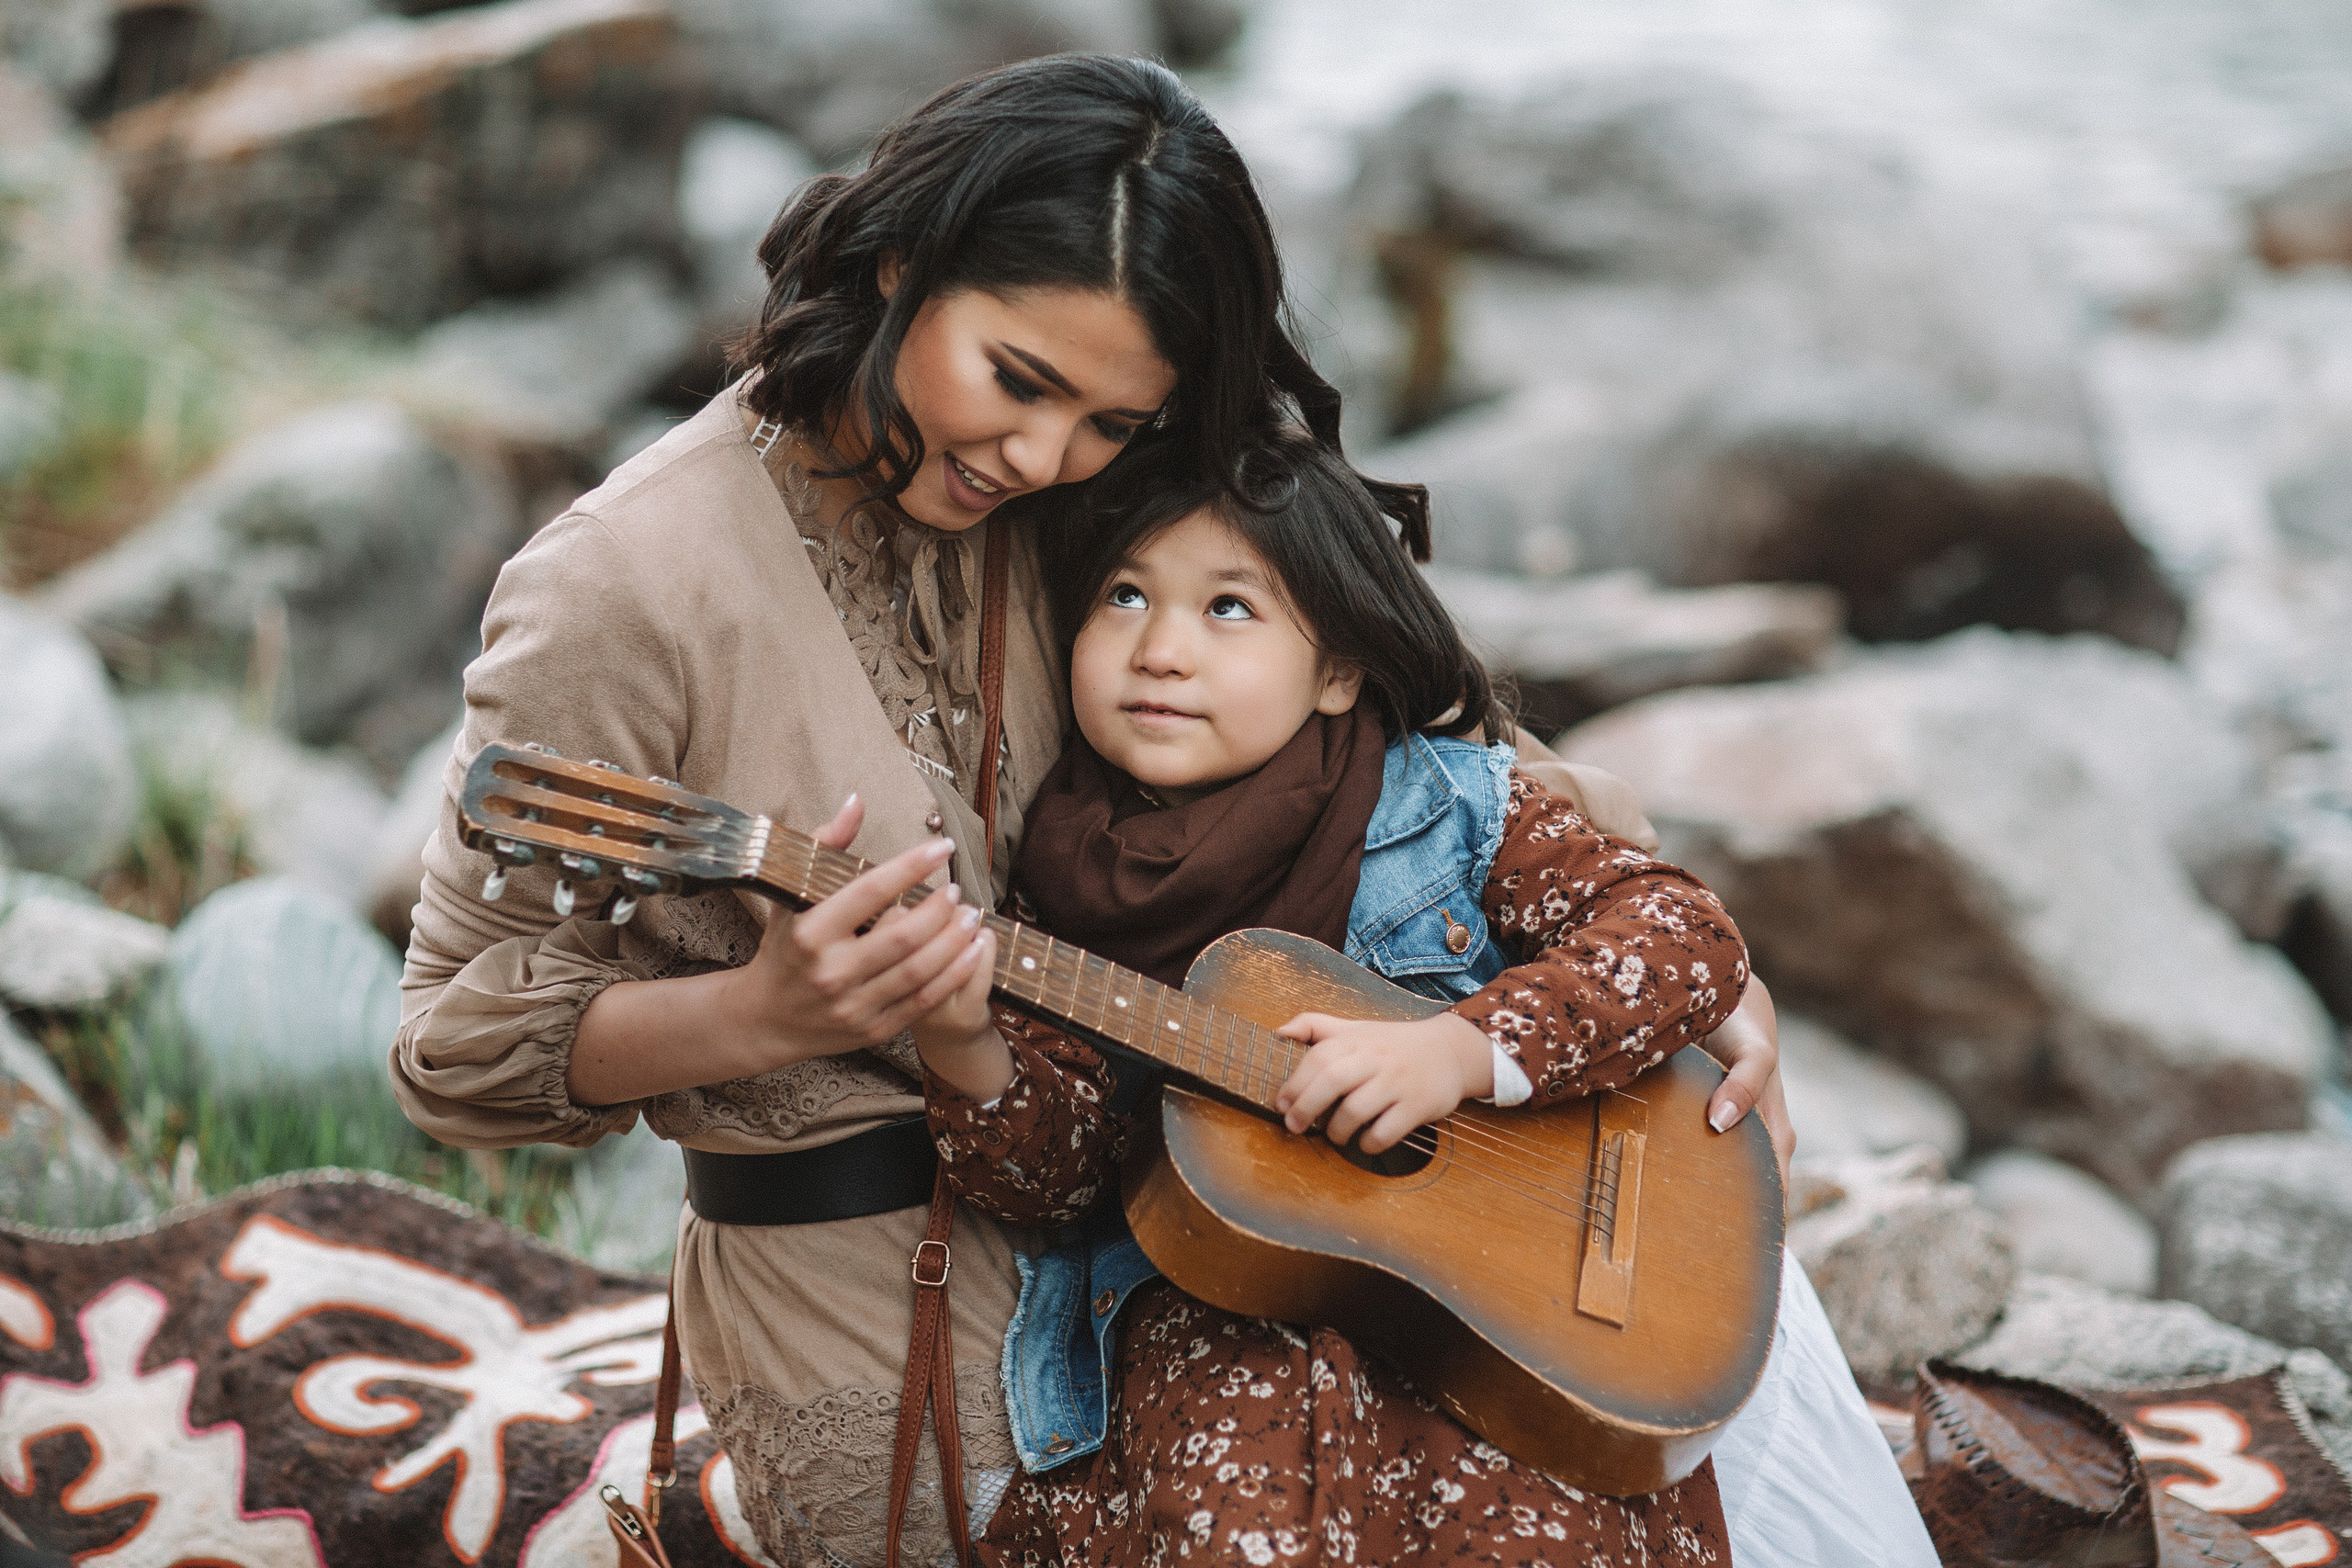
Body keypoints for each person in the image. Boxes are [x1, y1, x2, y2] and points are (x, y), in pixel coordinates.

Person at [389, 54, 1800, 1565]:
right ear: (899, 264)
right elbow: (451, 1048)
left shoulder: (1093, 485)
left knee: (1574, 1444)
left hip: (1260, 1211)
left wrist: (1672, 986)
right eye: (1017, 380)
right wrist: (768, 1008)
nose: (1043, 457)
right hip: (883, 1299)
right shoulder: (621, 585)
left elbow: (1401, 741)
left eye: (1111, 422)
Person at [908, 434, 1933, 1564]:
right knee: (1235, 1522)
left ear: (1337, 671)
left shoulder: (1445, 807)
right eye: (1124, 596)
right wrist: (960, 1041)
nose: (1159, 650)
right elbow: (1052, 1176)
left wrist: (1459, 1050)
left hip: (1505, 1299)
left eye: (1229, 608)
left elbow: (1679, 935)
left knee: (1527, 1531)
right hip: (1222, 1317)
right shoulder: (1055, 892)